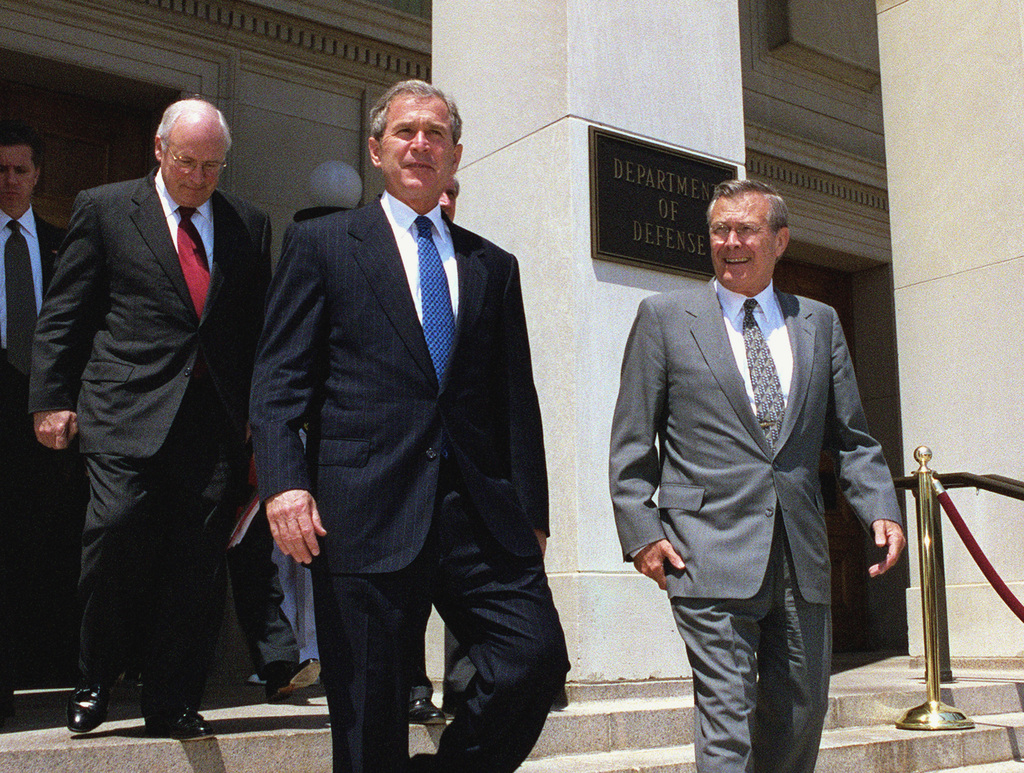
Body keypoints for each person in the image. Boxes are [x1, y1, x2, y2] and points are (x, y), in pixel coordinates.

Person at [250, 80, 569, 773]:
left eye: (435, 134)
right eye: (405, 131)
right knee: (370, 713)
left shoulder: (493, 266)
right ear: (376, 150)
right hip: (364, 508)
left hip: (477, 514)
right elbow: (278, 379)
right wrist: (283, 485)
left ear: (455, 156)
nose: (420, 143)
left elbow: (517, 400)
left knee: (534, 659)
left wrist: (532, 513)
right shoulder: (323, 243)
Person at [609, 179, 906, 773]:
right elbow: (633, 440)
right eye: (720, 230)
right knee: (727, 717)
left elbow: (851, 437)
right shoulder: (664, 318)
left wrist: (880, 507)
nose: (731, 242)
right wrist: (642, 532)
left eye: (746, 229)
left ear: (780, 240)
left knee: (800, 713)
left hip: (800, 557)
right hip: (705, 553)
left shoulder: (817, 322)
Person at [29, 98, 271, 738]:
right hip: (123, 410)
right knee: (115, 534)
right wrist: (51, 397)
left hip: (211, 423)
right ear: (160, 150)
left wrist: (258, 415)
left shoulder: (249, 223)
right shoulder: (106, 208)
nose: (197, 176)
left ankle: (171, 700)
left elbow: (255, 330)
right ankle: (94, 678)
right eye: (187, 161)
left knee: (196, 563)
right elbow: (66, 312)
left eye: (212, 166)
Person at [0, 119, 87, 727]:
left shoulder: (63, 244)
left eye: (20, 170)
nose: (8, 181)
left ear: (38, 175)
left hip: (45, 424)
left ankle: (46, 667)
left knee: (39, 550)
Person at [404, 175, 472, 725]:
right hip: (388, 478)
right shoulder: (357, 248)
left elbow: (511, 392)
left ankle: (461, 688)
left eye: (452, 191)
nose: (443, 200)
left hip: (467, 484)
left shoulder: (484, 264)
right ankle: (412, 685)